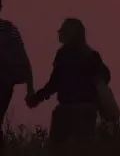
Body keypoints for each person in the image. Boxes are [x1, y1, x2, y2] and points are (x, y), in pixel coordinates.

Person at [26, 17, 111, 146]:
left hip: (66, 111)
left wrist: (35, 99)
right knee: (83, 153)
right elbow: (106, 76)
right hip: (87, 110)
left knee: (58, 153)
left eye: (63, 30)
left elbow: (53, 84)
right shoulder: (91, 55)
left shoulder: (63, 55)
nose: (59, 32)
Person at [0, 0, 35, 156]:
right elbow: (22, 57)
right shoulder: (9, 29)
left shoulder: (8, 29)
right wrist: (30, 87)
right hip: (5, 84)